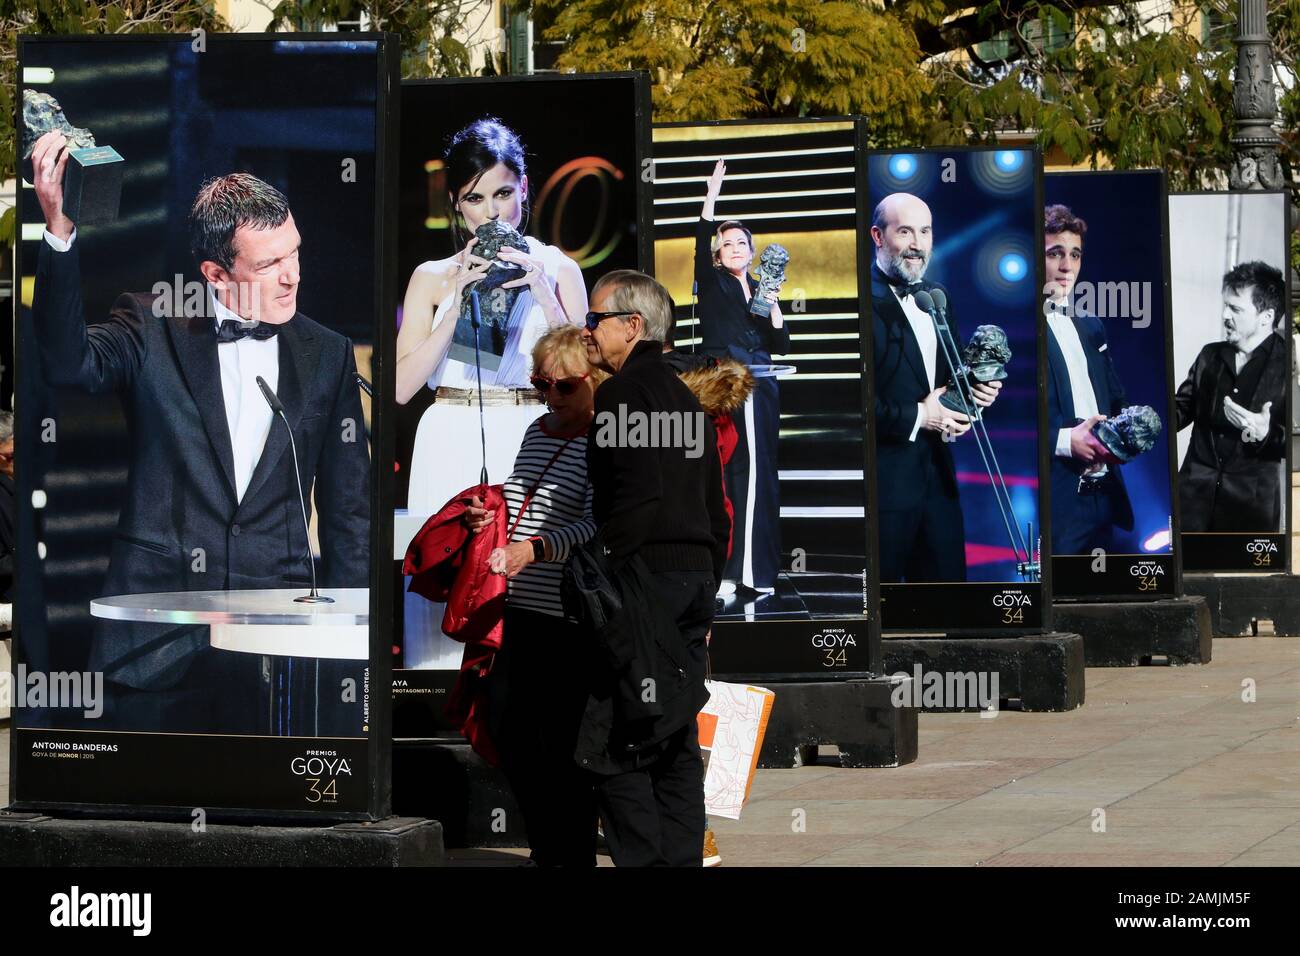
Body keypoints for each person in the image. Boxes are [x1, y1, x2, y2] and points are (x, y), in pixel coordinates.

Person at [29, 131, 370, 733]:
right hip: (156, 635)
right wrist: (58, 233)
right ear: (215, 273)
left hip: (278, 635)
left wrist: (352, 636)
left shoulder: (329, 354)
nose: (292, 275)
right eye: (269, 264)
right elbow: (68, 364)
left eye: (294, 252)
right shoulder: (151, 323)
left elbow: (349, 510)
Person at [396, 117, 587, 669]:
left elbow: (585, 385)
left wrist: (546, 297)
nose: (492, 211)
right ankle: (435, 714)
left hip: (531, 435)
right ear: (458, 206)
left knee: (524, 583)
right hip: (449, 431)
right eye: (474, 198)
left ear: (523, 189)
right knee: (447, 570)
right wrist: (456, 305)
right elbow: (405, 388)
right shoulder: (432, 276)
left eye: (503, 193)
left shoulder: (557, 267)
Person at [581, 269, 730, 867]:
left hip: (645, 585)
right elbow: (714, 505)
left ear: (632, 326)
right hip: (691, 581)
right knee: (674, 739)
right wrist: (707, 578)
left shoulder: (622, 394)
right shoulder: (683, 396)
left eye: (596, 320)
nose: (587, 332)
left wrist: (602, 569)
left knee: (619, 738)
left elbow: (635, 497)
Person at [462, 326, 603, 866]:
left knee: (562, 746)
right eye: (542, 384)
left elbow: (596, 524)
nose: (552, 397)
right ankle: (551, 849)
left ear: (592, 381)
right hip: (516, 607)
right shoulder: (536, 431)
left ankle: (570, 853)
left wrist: (537, 550)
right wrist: (488, 515)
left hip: (566, 616)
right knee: (511, 735)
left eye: (564, 386)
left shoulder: (602, 439)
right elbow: (520, 497)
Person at [870, 192, 1001, 583]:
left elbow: (949, 381)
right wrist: (922, 415)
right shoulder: (862, 302)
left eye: (924, 231)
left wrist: (974, 396)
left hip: (939, 483)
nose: (917, 244)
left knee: (948, 604)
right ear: (878, 236)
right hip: (886, 489)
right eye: (905, 231)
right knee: (889, 612)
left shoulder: (937, 298)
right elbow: (853, 404)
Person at [697, 159, 787, 595]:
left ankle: (759, 572)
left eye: (740, 242)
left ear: (751, 251)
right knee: (733, 472)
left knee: (760, 473)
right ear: (717, 252)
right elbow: (701, 239)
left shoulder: (761, 286)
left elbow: (781, 344)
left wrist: (773, 303)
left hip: (764, 387)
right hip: (730, 384)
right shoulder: (713, 283)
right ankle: (730, 571)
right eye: (726, 243)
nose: (734, 248)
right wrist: (711, 198)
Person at [1042, 205, 1133, 554]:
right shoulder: (1017, 329)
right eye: (1055, 254)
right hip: (1055, 504)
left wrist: (1123, 434)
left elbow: (1116, 398)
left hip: (1104, 498)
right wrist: (1067, 441)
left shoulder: (1090, 324)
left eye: (1075, 254)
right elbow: (1005, 425)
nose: (1067, 266)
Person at [1175, 261, 1288, 533]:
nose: (1225, 315)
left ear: (1266, 316)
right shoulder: (1209, 355)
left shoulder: (1288, 362)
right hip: (1191, 503)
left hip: (1249, 513)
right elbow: (1181, 409)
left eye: (1236, 309)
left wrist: (1266, 433)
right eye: (1225, 306)